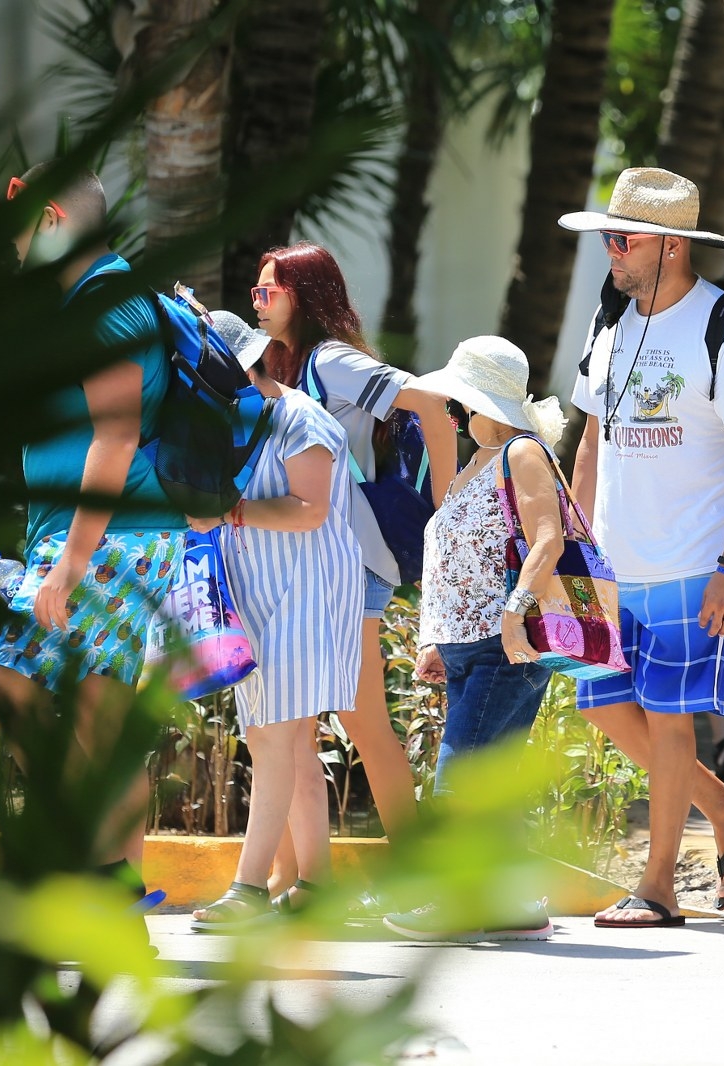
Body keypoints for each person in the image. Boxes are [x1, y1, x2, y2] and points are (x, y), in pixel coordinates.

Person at [560, 167, 724, 927]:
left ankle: (657, 886)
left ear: (672, 248)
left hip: (692, 563)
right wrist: (572, 552)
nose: (611, 251)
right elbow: (591, 439)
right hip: (613, 563)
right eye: (608, 237)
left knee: (671, 716)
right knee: (605, 708)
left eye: (624, 239)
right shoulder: (609, 321)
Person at [0, 163, 186, 911]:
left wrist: (69, 560)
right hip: (126, 537)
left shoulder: (103, 296)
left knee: (7, 687)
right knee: (101, 713)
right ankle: (112, 880)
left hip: (102, 540)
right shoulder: (108, 292)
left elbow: (119, 429)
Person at [254, 241, 457, 915]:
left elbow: (430, 401)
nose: (258, 303)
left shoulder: (330, 360)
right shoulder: (288, 366)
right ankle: (292, 882)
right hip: (320, 565)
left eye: (269, 292)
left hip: (352, 561)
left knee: (361, 720)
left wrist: (447, 508)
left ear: (304, 297)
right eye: (257, 293)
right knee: (300, 725)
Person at [383, 336, 568, 943]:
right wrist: (435, 638)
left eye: (457, 399)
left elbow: (548, 540)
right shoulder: (477, 460)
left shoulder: (522, 454)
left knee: (460, 776)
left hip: (503, 646)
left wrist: (516, 612)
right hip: (468, 647)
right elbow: (457, 557)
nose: (451, 410)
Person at [188, 315, 363, 931]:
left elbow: (309, 511)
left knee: (272, 739)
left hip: (305, 593)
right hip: (262, 596)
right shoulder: (239, 422)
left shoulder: (300, 418)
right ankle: (317, 888)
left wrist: (228, 513)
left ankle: (250, 891)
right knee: (288, 741)